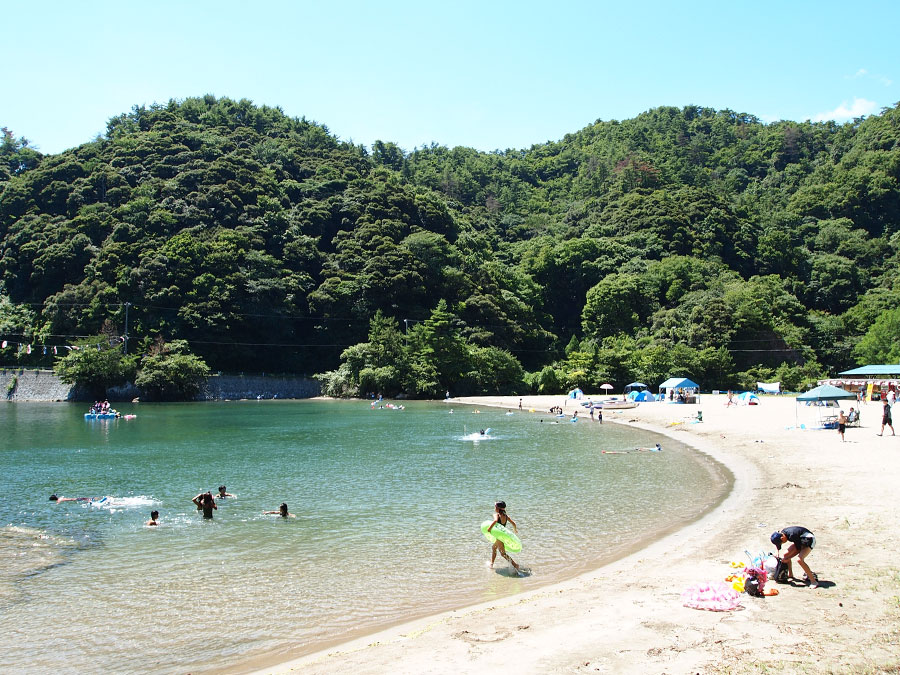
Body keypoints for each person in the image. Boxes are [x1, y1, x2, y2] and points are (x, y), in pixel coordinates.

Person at [487, 501, 521, 574]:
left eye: (495, 506)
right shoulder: (506, 516)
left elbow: (495, 521)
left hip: (499, 536)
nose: (494, 508)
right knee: (494, 548)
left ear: (498, 508)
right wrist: (515, 530)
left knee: (503, 554)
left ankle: (515, 565)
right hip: (502, 535)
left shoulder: (496, 515)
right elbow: (513, 523)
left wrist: (489, 529)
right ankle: (491, 564)